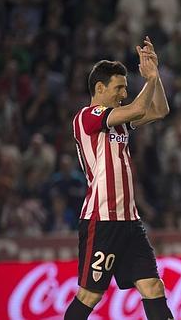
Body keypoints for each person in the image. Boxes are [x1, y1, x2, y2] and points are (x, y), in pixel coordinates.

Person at [64, 37, 173, 320]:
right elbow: (138, 109)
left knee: (153, 286)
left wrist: (155, 76)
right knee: (90, 295)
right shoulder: (87, 116)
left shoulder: (118, 118)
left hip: (129, 221)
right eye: (119, 87)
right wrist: (147, 81)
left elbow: (159, 110)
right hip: (101, 220)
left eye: (126, 87)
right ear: (99, 88)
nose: (124, 93)